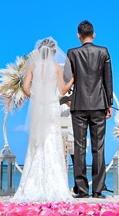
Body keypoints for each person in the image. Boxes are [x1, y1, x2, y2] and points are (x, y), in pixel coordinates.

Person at [12, 37, 74, 202]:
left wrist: (35, 97)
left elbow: (25, 88)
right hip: (52, 107)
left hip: (39, 107)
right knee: (52, 141)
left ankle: (31, 183)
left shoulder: (33, 67)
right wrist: (73, 79)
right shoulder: (56, 68)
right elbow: (62, 91)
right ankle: (55, 185)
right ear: (54, 52)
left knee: (37, 143)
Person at [64, 20, 113, 198]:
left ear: (78, 35)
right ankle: (98, 190)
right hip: (99, 104)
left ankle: (82, 190)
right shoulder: (103, 52)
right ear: (93, 34)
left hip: (78, 104)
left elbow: (67, 79)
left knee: (79, 147)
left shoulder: (72, 53)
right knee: (98, 148)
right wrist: (109, 104)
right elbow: (108, 80)